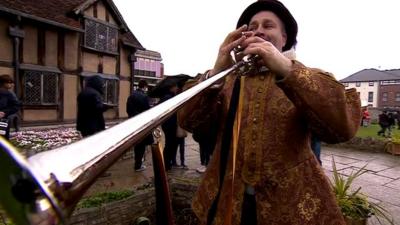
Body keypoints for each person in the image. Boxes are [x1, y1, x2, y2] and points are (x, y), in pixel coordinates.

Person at [178, 1, 361, 224]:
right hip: (227, 201)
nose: (258, 31)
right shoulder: (226, 80)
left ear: (284, 39)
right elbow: (188, 121)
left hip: (289, 204)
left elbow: (342, 129)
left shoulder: (307, 76)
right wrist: (217, 70)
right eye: (252, 26)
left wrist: (286, 69)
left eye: (268, 25)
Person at [126, 80, 154, 172]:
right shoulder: (144, 97)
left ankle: (138, 162)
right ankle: (138, 164)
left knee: (137, 143)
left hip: (133, 122)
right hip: (142, 122)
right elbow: (147, 111)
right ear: (145, 86)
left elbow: (128, 110)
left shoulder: (131, 96)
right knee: (141, 144)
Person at [0, 74, 21, 139]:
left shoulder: (9, 93)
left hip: (3, 119)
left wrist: (4, 112)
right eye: (9, 82)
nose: (11, 84)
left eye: (11, 82)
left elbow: (16, 105)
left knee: (3, 137)